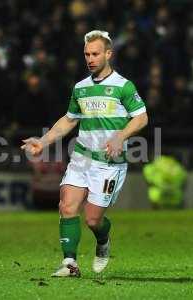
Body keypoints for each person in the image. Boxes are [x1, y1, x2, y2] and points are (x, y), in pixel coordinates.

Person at [21, 30, 148, 277]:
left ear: (108, 54)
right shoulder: (80, 88)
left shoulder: (123, 86)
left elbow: (142, 117)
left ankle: (103, 241)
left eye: (95, 53)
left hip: (109, 163)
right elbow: (69, 120)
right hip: (81, 158)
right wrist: (43, 141)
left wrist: (120, 136)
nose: (90, 58)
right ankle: (70, 264)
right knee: (67, 206)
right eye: (87, 54)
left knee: (92, 220)